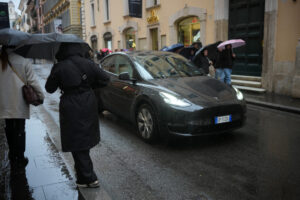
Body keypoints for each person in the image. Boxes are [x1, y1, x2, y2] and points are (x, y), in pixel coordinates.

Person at [45, 43, 109, 188]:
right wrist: (88, 87)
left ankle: (89, 177)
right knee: (83, 136)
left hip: (70, 104)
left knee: (76, 138)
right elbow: (105, 79)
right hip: (88, 102)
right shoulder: (88, 63)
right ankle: (82, 175)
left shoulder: (60, 66)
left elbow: (49, 89)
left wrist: (56, 72)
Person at [0, 46, 44, 168]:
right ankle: (19, 156)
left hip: (4, 102)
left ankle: (12, 155)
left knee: (8, 126)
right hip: (19, 101)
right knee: (19, 128)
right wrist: (40, 96)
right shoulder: (23, 61)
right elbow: (33, 81)